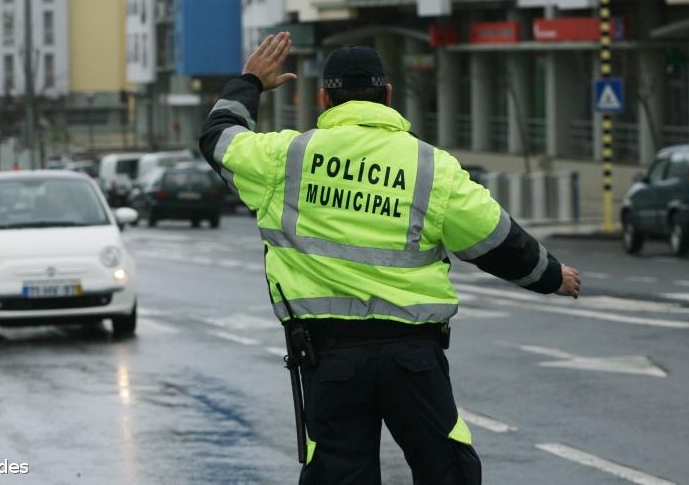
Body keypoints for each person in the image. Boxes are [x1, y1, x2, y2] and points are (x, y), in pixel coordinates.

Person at [199, 33, 582, 484]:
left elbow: (219, 137)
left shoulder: (286, 159)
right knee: (447, 471)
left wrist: (250, 82)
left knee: (340, 475)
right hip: (413, 359)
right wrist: (553, 276)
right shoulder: (431, 167)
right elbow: (495, 237)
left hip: (330, 359)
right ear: (389, 96)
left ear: (324, 99)